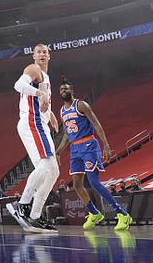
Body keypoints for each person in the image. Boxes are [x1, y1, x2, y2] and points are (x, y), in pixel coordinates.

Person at [54, 78, 132, 231]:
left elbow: (96, 124)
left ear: (72, 91)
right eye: (62, 89)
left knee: (94, 182)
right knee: (76, 185)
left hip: (88, 145)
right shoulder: (62, 111)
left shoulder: (81, 105)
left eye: (66, 89)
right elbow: (67, 134)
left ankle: (122, 214)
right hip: (75, 149)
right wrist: (58, 152)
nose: (64, 91)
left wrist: (106, 146)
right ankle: (94, 213)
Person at [6, 44, 60, 233]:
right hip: (32, 122)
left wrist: (51, 114)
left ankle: (34, 217)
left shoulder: (46, 77)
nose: (42, 54)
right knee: (46, 165)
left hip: (40, 122)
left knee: (53, 171)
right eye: (39, 52)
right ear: (34, 56)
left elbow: (42, 101)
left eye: (45, 52)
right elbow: (18, 85)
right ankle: (21, 205)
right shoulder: (33, 69)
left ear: (49, 56)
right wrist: (40, 93)